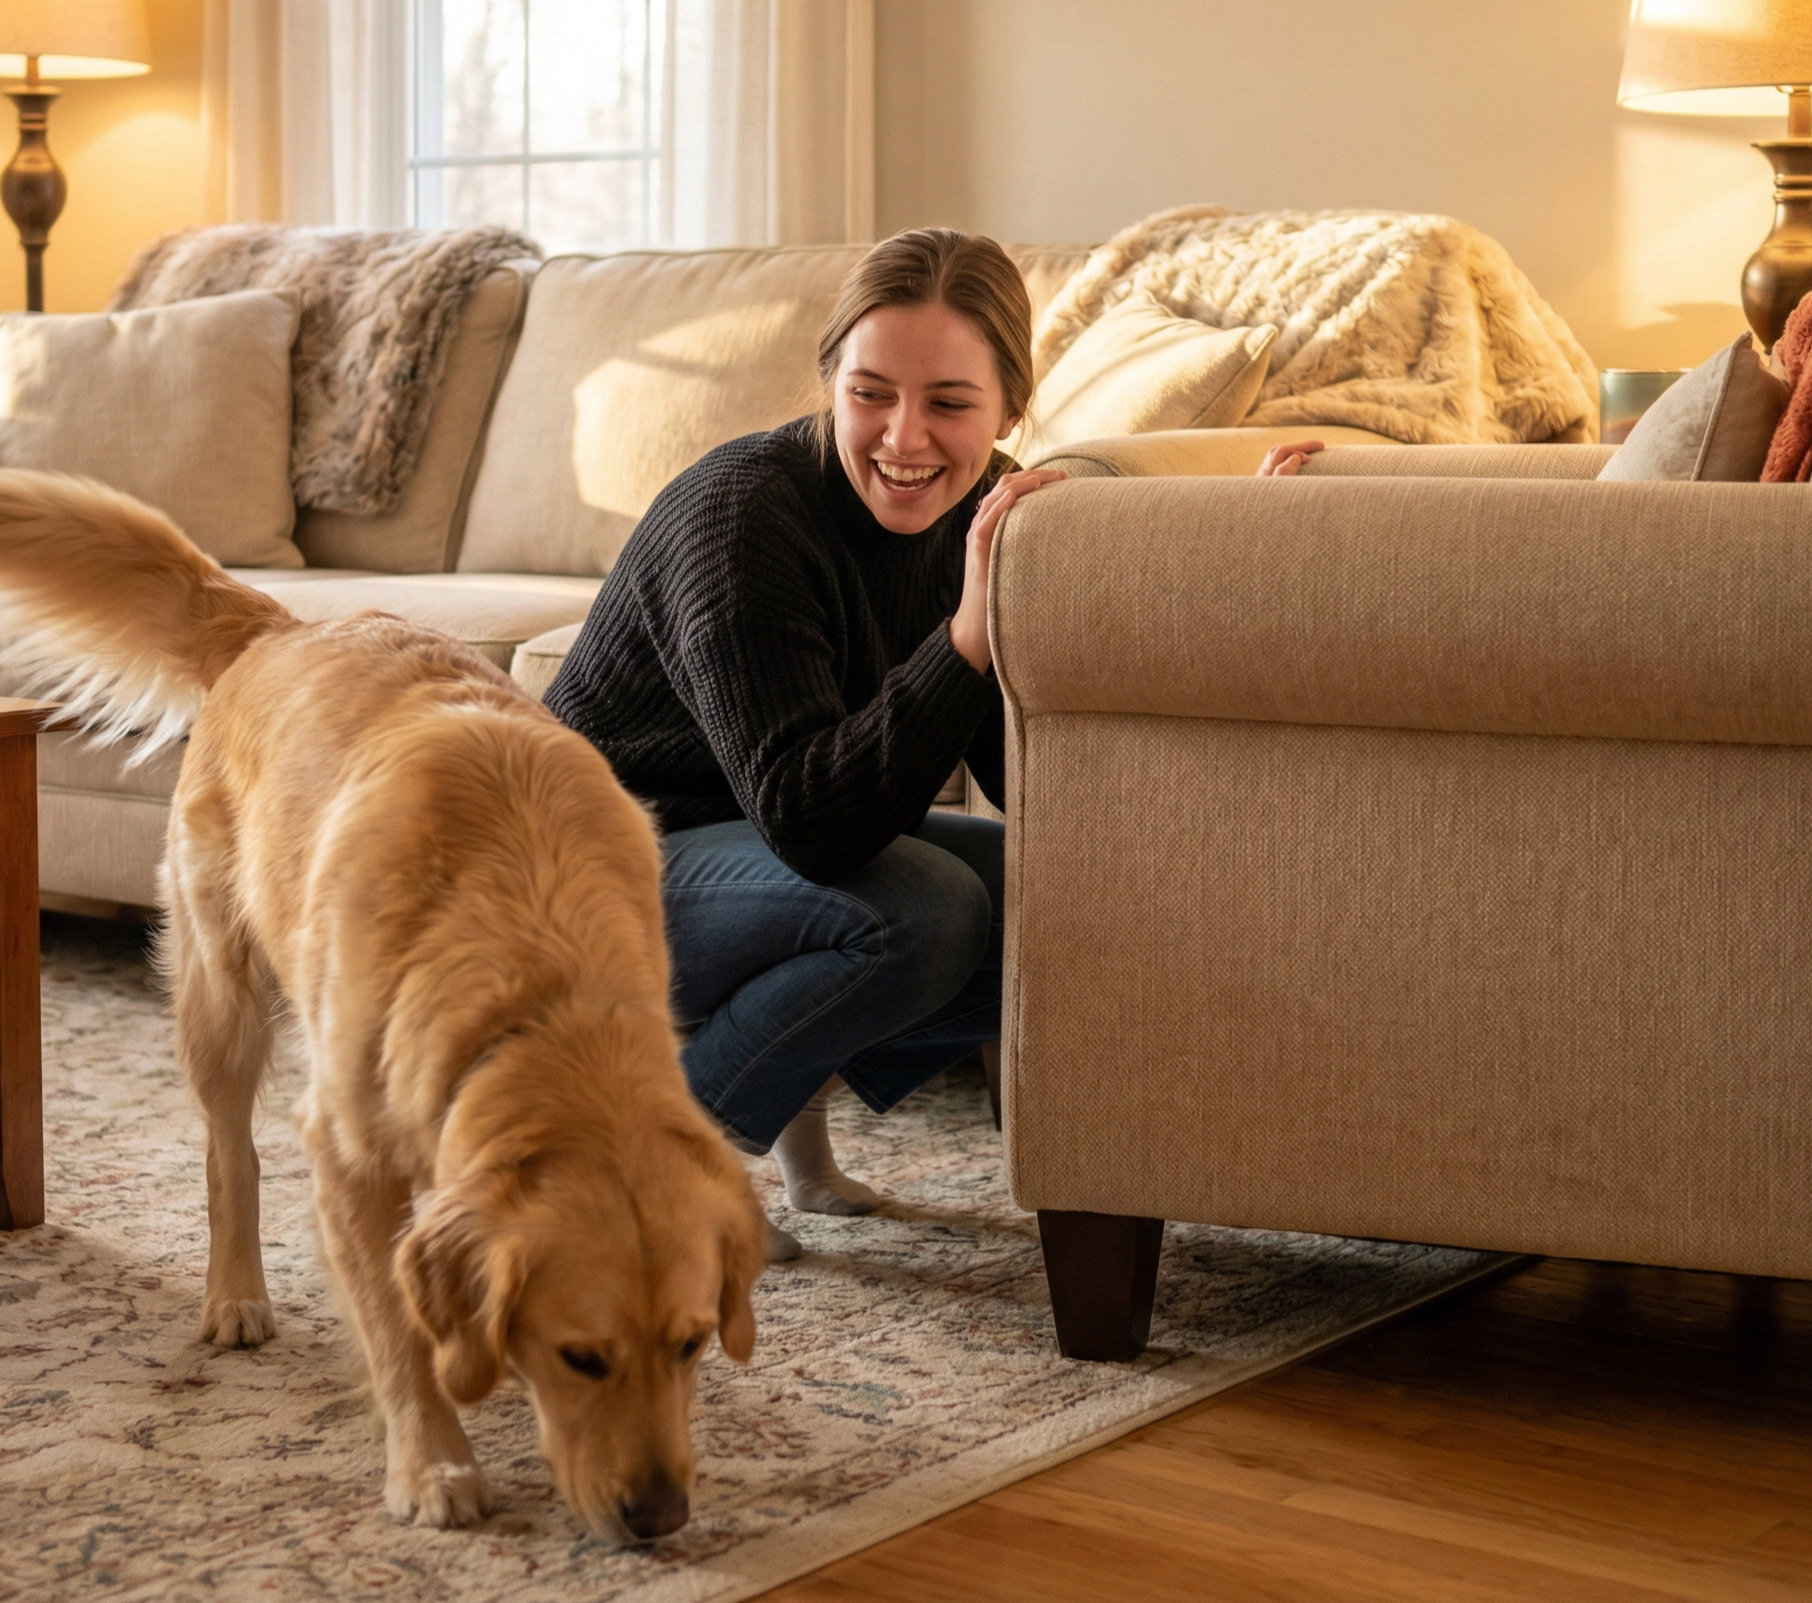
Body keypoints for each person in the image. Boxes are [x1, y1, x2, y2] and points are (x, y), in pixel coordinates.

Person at [548, 228, 1321, 1253]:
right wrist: (967, 632)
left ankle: (773, 1106)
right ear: (828, 378)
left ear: (1010, 407)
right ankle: (640, 1163)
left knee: (1067, 904)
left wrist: (1238, 568)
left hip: (750, 854)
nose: (903, 437)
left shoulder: (998, 511)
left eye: (950, 403)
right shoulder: (742, 514)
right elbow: (813, 823)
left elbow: (1036, 791)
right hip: (587, 868)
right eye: (870, 392)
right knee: (922, 909)